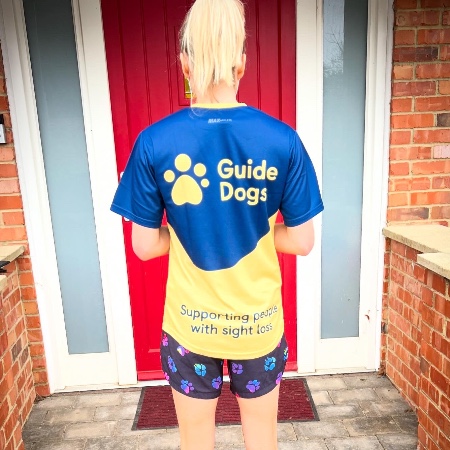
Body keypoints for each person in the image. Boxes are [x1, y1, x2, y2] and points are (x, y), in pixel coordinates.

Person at [111, 0, 323, 448]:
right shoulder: (283, 140)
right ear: (241, 64)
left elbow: (144, 246)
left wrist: (194, 229)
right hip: (257, 325)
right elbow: (303, 241)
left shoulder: (153, 142)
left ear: (185, 65)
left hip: (190, 326)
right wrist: (251, 230)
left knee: (195, 440)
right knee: (262, 438)